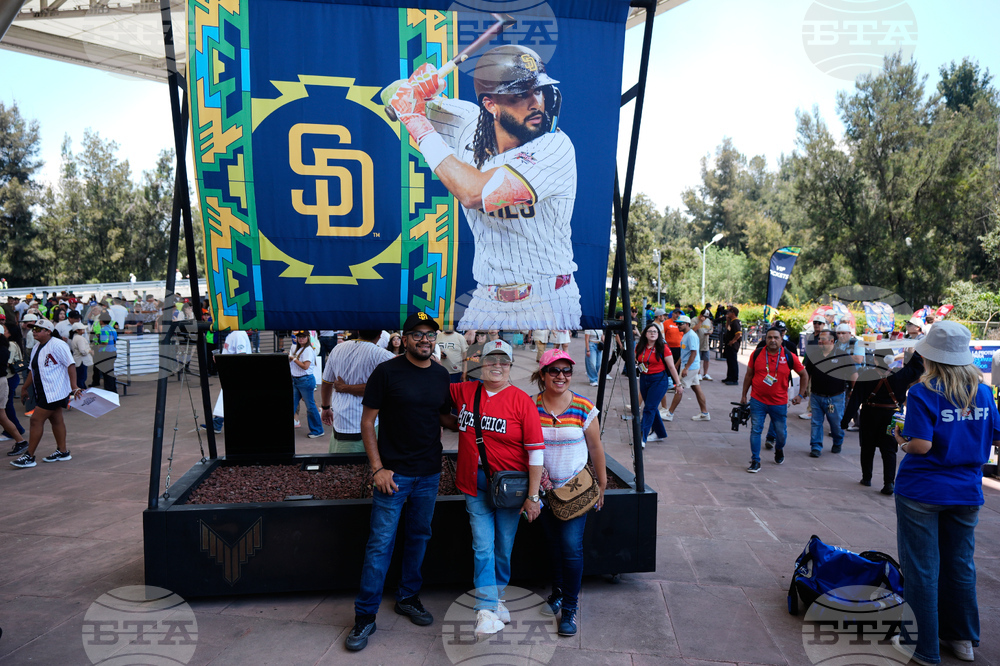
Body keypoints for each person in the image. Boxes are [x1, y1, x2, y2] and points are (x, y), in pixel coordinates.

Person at [388, 45, 579, 330]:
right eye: (520, 95)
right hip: (487, 297)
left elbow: (474, 193)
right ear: (490, 105)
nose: (536, 103)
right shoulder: (469, 122)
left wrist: (419, 124)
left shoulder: (555, 146)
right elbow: (393, 99)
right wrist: (417, 87)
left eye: (539, 91)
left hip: (548, 295)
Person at [888, 321, 999, 665]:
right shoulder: (982, 392)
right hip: (967, 491)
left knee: (922, 569)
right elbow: (995, 435)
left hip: (922, 490)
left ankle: (923, 647)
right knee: (960, 565)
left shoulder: (923, 392)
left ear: (930, 357)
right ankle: (962, 639)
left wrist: (901, 441)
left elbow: (921, 445)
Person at [345, 312, 452, 652]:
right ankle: (365, 616)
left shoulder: (441, 374)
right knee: (380, 544)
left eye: (430, 334)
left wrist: (476, 415)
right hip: (393, 476)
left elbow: (443, 416)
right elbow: (367, 422)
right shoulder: (386, 372)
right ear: (404, 339)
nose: (425, 340)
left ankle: (407, 597)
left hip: (429, 473)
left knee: (419, 536)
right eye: (417, 334)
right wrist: (377, 468)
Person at [449, 339, 543, 639]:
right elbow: (430, 387)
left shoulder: (522, 401)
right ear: (481, 362)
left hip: (509, 488)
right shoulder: (464, 390)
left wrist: (533, 496)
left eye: (504, 361)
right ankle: (487, 609)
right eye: (492, 359)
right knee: (482, 545)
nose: (497, 366)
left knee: (503, 545)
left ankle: (497, 596)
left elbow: (536, 452)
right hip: (473, 482)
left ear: (511, 365)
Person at [530, 349, 607, 637]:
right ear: (543, 374)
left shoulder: (584, 407)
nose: (561, 376)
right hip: (543, 491)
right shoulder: (530, 406)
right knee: (553, 545)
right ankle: (559, 592)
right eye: (554, 370)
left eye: (566, 371)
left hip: (575, 492)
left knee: (571, 548)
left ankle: (570, 609)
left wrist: (602, 485)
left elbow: (596, 447)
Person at [842, 348, 924, 496]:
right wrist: (912, 353)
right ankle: (889, 483)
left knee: (867, 447)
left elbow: (855, 399)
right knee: (889, 449)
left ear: (875, 359)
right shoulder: (900, 374)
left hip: (869, 414)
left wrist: (845, 420)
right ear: (891, 359)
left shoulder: (866, 374)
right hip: (891, 415)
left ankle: (866, 478)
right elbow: (918, 368)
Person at [9, 319, 84, 468]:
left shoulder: (58, 345)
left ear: (48, 331)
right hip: (43, 390)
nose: (34, 331)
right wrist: (25, 387)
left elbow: (70, 364)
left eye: (38, 329)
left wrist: (74, 386)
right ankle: (63, 452)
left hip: (55, 390)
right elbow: (32, 370)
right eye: (33, 329)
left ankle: (29, 456)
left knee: (35, 420)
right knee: (56, 419)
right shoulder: (37, 347)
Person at [740, 327, 808, 473]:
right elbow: (748, 375)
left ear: (781, 340)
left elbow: (804, 374)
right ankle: (755, 460)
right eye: (769, 337)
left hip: (779, 403)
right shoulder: (757, 354)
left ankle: (779, 449)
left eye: (776, 338)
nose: (772, 340)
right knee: (756, 430)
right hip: (758, 400)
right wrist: (744, 395)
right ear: (765, 339)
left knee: (781, 433)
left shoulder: (788, 356)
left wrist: (800, 395)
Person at [320, 329, 394, 454]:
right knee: (363, 463)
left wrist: (326, 406)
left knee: (339, 463)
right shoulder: (382, 355)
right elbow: (388, 387)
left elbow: (327, 382)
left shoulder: (338, 349)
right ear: (380, 334)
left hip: (343, 421)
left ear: (359, 331)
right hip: (363, 422)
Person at [800, 330, 849, 458]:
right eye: (819, 339)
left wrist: (853, 390)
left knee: (836, 424)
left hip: (836, 397)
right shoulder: (814, 355)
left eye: (823, 339)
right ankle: (815, 446)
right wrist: (803, 390)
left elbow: (852, 373)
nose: (820, 341)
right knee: (816, 422)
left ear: (832, 341)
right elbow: (807, 374)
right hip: (816, 396)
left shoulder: (842, 356)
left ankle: (838, 441)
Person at [635, 323, 683, 445]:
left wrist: (678, 384)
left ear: (658, 334)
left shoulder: (663, 347)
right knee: (651, 406)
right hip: (644, 378)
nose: (652, 333)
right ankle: (659, 433)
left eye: (655, 331)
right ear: (645, 334)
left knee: (649, 408)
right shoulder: (640, 346)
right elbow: (637, 359)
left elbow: (671, 367)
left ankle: (642, 437)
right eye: (650, 331)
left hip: (659, 380)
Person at [663, 315, 710, 421]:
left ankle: (670, 413)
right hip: (690, 366)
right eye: (677, 324)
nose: (678, 326)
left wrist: (686, 368)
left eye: (680, 324)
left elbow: (694, 353)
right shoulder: (686, 335)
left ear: (687, 324)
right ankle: (705, 413)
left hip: (691, 367)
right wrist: (677, 364)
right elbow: (685, 352)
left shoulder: (691, 336)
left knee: (679, 388)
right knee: (697, 389)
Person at [288, 331, 323, 439]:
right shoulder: (300, 348)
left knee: (310, 406)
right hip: (299, 380)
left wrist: (293, 358)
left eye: (303, 337)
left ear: (308, 338)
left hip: (304, 380)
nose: (301, 339)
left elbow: (305, 366)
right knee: (295, 404)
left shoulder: (307, 350)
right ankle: (317, 429)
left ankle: (318, 430)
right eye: (299, 337)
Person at [3, 319, 27, 452]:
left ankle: (14, 430)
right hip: (9, 377)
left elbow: (7, 361)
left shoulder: (10, 345)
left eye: (5, 330)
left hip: (9, 377)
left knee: (7, 407)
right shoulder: (9, 343)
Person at [91, 312, 118, 392]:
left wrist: (98, 346)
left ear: (101, 321)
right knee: (111, 372)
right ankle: (113, 389)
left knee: (106, 373)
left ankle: (109, 389)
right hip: (113, 351)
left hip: (106, 353)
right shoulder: (112, 328)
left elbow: (105, 342)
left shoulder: (103, 330)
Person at [67, 322, 93, 394]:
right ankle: (81, 394)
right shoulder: (80, 338)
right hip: (82, 361)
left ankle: (81, 392)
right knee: (81, 379)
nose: (84, 330)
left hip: (78, 361)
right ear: (77, 330)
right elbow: (83, 351)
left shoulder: (75, 337)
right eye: (82, 329)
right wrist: (89, 351)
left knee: (80, 378)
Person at [722, 306, 742, 385]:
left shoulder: (736, 322)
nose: (727, 313)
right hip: (728, 345)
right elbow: (728, 328)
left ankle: (734, 379)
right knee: (729, 361)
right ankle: (729, 377)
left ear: (733, 313)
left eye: (729, 312)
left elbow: (738, 334)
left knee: (733, 361)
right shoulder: (732, 321)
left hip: (733, 345)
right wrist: (727, 320)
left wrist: (733, 341)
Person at [696, 310, 713, 381]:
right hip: (697, 343)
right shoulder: (694, 320)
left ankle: (705, 374)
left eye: (706, 317)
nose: (705, 318)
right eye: (704, 316)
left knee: (706, 359)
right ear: (701, 315)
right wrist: (700, 322)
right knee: (698, 360)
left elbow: (711, 328)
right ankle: (698, 373)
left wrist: (710, 332)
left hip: (705, 343)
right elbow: (692, 329)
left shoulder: (708, 321)